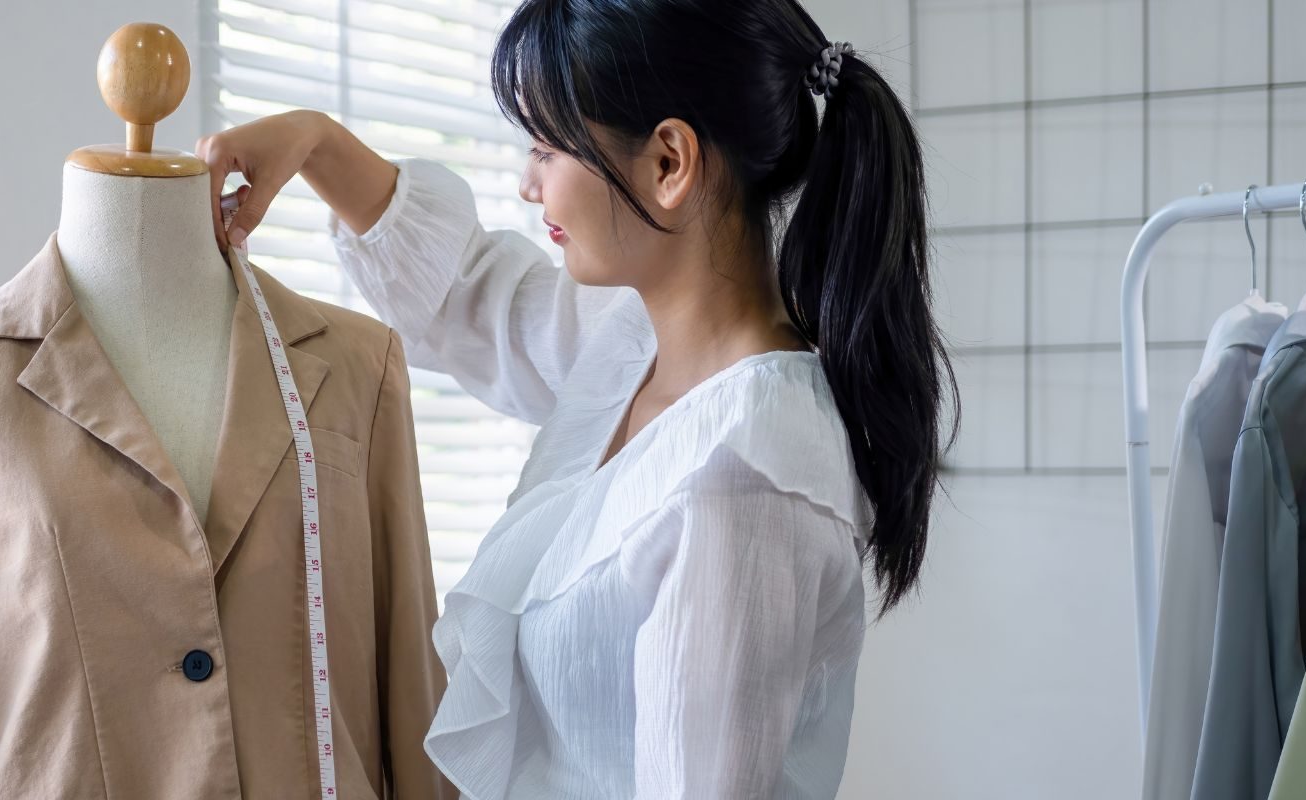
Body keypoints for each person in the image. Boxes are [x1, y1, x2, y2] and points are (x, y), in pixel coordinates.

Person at [197, 0, 953, 796]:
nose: (528, 186)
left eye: (546, 148)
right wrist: (315, 141)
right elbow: (474, 296)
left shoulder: (743, 473)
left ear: (668, 163)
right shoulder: (634, 346)